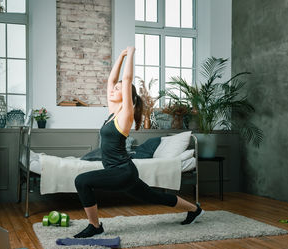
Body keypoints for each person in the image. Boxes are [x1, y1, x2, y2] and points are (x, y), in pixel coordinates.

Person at [73, 46, 204, 238]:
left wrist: (131, 54)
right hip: (120, 171)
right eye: (114, 88)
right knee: (156, 197)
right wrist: (120, 55)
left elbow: (126, 80)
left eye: (118, 89)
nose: (113, 89)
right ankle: (194, 209)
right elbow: (111, 80)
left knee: (81, 181)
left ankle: (95, 226)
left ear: (127, 97)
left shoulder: (125, 115)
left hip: (122, 172)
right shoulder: (112, 113)